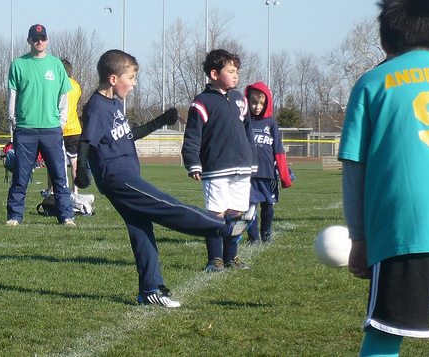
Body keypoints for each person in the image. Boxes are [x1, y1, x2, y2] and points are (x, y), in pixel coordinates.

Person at [74, 49, 251, 308]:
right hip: (117, 177)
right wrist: (82, 172)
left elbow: (127, 135)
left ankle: (150, 290)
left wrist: (159, 122)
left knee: (141, 230)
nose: (134, 84)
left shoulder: (113, 104)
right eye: (131, 78)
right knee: (166, 205)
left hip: (127, 174)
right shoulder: (96, 107)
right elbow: (86, 140)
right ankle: (223, 227)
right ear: (114, 79)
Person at [338, 0, 429, 355]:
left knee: (386, 333)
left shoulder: (372, 83)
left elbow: (354, 167)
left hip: (404, 228)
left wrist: (358, 239)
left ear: (384, 41)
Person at [182, 49, 257, 273]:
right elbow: (193, 136)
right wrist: (193, 162)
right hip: (216, 168)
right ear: (214, 74)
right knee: (215, 214)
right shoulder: (202, 102)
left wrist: (251, 159)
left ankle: (231, 256)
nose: (236, 76)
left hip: (242, 166)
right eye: (231, 71)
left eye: (237, 72)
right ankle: (214, 259)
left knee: (237, 213)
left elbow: (247, 131)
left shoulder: (240, 100)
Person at [6, 24, 75, 227]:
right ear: (29, 41)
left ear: (47, 40)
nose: (39, 41)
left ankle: (66, 216)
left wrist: (60, 123)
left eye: (43, 38)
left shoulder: (56, 65)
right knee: (20, 176)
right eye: (36, 38)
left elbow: (64, 97)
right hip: (25, 130)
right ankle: (14, 216)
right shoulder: (18, 64)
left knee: (59, 176)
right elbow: (13, 96)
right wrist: (14, 122)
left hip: (51, 129)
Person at [244, 82, 292, 245]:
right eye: (254, 103)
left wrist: (284, 176)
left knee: (268, 207)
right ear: (248, 102)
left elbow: (278, 150)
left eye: (261, 104)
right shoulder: (245, 121)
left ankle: (266, 232)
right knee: (250, 207)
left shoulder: (270, 123)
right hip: (249, 174)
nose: (257, 107)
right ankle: (254, 237)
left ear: (267, 104)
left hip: (267, 174)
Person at [42, 58, 82, 197]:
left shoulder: (57, 84)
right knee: (74, 161)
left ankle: (51, 190)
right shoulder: (76, 85)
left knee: (51, 160)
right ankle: (75, 191)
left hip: (58, 127)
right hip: (75, 129)